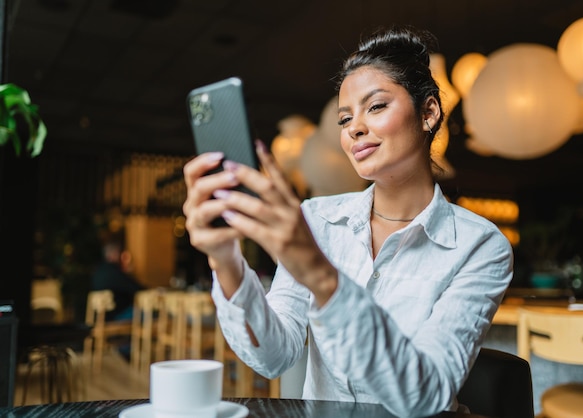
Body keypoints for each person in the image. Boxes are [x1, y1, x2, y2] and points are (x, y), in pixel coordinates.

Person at [183, 26, 513, 417]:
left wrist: (321, 276)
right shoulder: (316, 218)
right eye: (344, 119)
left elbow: (425, 393)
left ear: (428, 112)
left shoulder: (481, 246)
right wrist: (225, 259)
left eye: (375, 107)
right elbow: (273, 357)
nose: (354, 127)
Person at [91, 240, 144, 321]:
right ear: (114, 254)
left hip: (100, 318)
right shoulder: (113, 271)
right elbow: (136, 288)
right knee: (151, 314)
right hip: (117, 316)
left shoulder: (98, 271)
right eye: (120, 253)